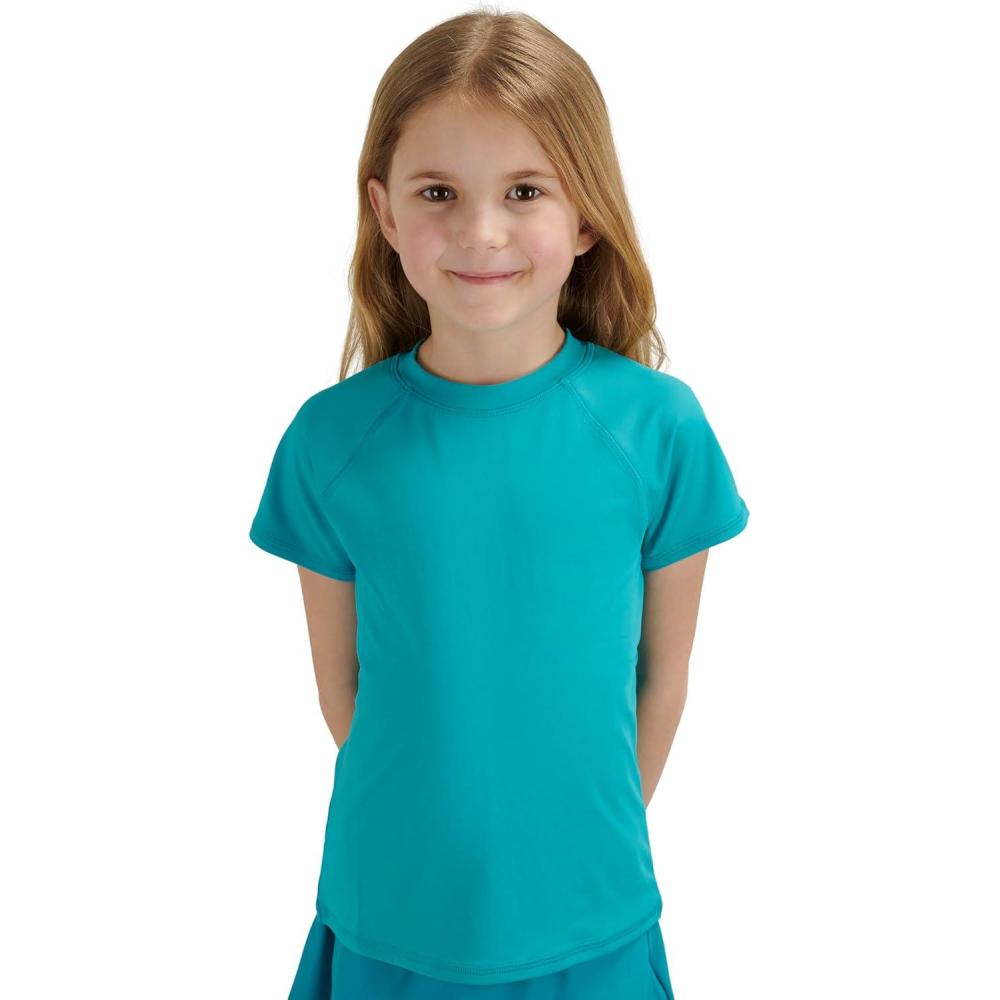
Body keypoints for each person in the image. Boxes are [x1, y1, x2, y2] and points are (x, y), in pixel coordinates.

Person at [249, 9, 749, 999]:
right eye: (438, 192)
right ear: (385, 211)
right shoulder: (331, 441)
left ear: (586, 214)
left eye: (525, 190)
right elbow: (346, 692)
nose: (481, 231)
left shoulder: (657, 429)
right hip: (391, 915)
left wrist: (567, 853)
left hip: (589, 920)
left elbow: (662, 677)